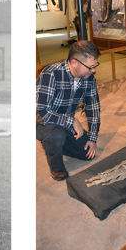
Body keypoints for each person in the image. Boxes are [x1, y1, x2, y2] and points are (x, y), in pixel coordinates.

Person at [35, 40, 101, 181]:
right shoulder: (51, 73)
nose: (93, 70)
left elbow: (93, 107)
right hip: (38, 120)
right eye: (90, 67)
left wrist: (92, 138)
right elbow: (42, 112)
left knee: (87, 154)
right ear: (74, 63)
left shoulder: (88, 78)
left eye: (95, 66)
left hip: (63, 121)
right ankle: (56, 168)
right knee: (56, 134)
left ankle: (55, 143)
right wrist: (71, 121)